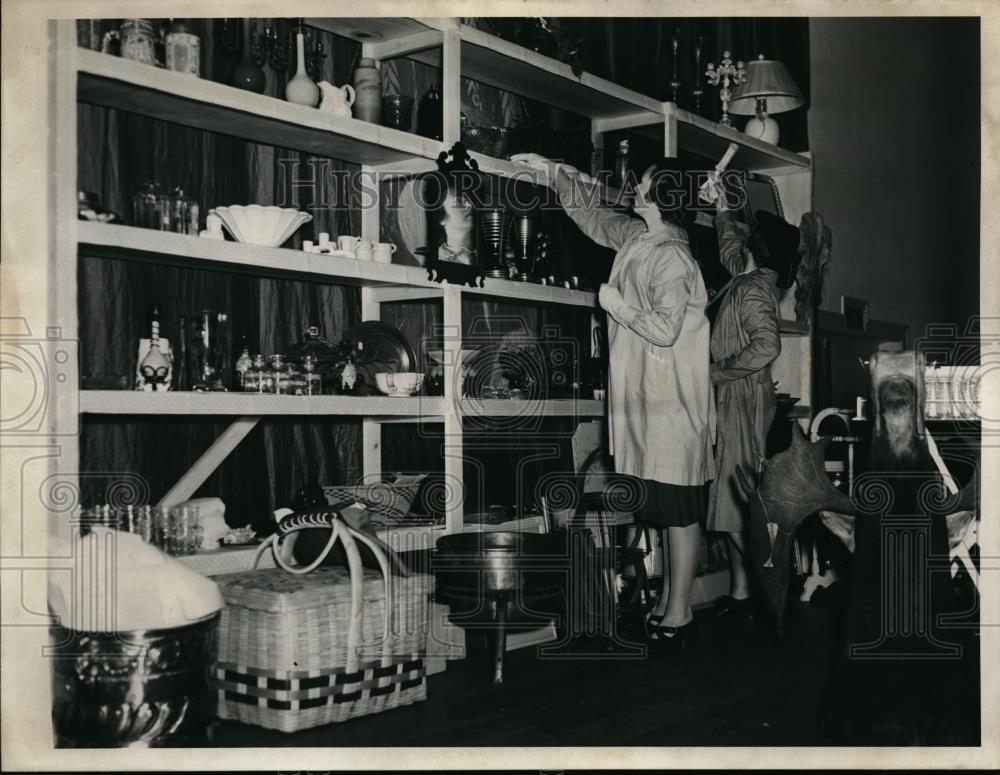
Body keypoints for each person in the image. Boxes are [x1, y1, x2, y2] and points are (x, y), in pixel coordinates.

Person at [512, 153, 716, 646]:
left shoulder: (672, 256)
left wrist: (614, 303)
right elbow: (595, 219)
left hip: (674, 404)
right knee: (665, 507)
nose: (633, 185)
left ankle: (681, 612)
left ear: (656, 196)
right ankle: (670, 605)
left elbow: (665, 331)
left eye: (642, 181)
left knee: (681, 510)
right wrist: (554, 172)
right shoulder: (639, 239)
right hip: (650, 401)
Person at [703, 181, 799, 615]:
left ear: (755, 248)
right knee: (734, 502)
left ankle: (766, 588)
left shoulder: (751, 288)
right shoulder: (752, 278)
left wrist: (715, 374)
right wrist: (721, 205)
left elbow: (766, 347)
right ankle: (744, 592)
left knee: (735, 504)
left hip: (740, 400)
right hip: (743, 399)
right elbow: (730, 249)